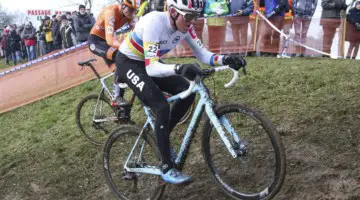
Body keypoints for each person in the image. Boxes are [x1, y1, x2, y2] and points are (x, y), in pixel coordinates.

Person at [115, 0, 246, 184]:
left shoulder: (185, 26)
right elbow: (151, 68)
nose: (192, 21)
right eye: (189, 16)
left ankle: (162, 136)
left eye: (195, 16)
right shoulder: (154, 22)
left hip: (149, 63)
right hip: (130, 63)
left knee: (188, 90)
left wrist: (227, 59)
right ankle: (166, 167)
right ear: (173, 12)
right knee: (161, 107)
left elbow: (203, 55)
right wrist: (179, 68)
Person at [88, 0, 143, 106]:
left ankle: (121, 111)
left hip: (106, 43)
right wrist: (125, 47)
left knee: (119, 68)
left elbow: (137, 32)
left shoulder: (129, 15)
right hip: (96, 41)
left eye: (134, 10)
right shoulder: (111, 12)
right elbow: (109, 40)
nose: (132, 13)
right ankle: (116, 97)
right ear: (123, 6)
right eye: (130, 9)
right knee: (120, 56)